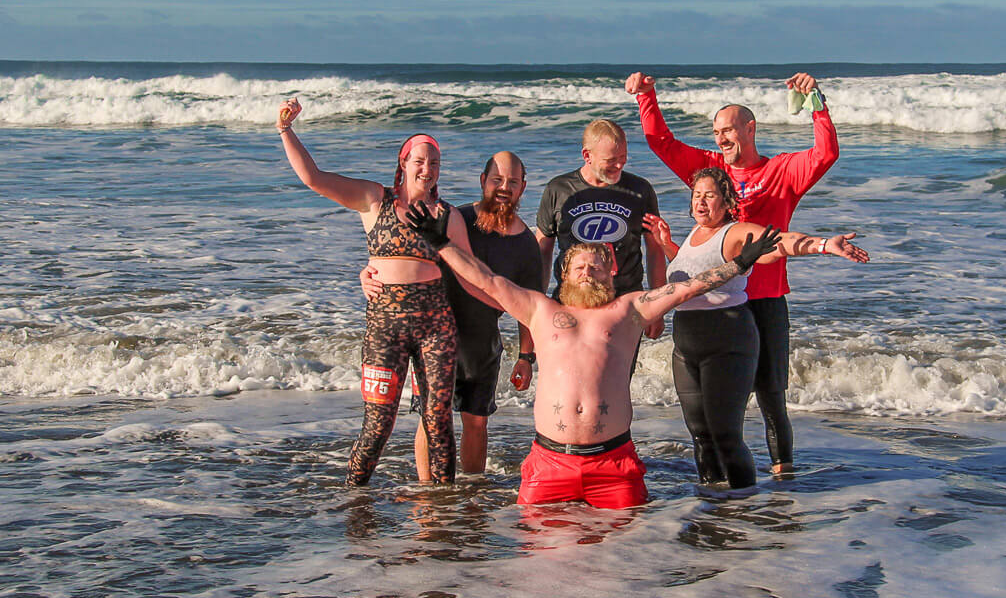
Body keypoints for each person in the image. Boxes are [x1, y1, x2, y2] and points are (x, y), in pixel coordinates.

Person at [405, 201, 785, 508]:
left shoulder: (630, 309)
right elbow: (485, 279)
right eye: (580, 267)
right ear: (564, 276)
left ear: (611, 275)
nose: (588, 273)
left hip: (614, 464)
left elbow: (686, 289)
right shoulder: (540, 309)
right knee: (536, 569)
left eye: (597, 267)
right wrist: (443, 246)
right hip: (549, 463)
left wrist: (740, 263)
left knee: (622, 571)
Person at [625, 71, 839, 474]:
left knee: (771, 397)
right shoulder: (710, 172)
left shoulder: (782, 171)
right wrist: (647, 96)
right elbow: (662, 144)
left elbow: (825, 155)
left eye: (728, 129)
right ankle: (725, 485)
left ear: (750, 128)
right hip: (717, 307)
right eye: (716, 131)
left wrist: (817, 105)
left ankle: (782, 481)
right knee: (723, 409)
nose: (721, 138)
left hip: (765, 300)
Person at [276, 98, 470, 486]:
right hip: (385, 329)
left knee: (438, 421)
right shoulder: (374, 200)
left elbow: (471, 276)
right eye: (419, 161)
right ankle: (353, 500)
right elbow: (314, 178)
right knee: (378, 424)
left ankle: (445, 511)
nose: (427, 169)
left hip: (437, 329)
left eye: (434, 163)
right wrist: (285, 130)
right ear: (404, 163)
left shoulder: (448, 215)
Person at [643, 168, 868, 489]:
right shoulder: (693, 235)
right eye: (696, 195)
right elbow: (694, 277)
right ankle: (712, 506)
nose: (701, 202)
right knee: (701, 435)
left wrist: (822, 245)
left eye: (709, 195)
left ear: (727, 202)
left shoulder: (734, 233)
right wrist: (667, 246)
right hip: (686, 347)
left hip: (727, 341)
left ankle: (745, 506)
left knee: (726, 435)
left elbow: (778, 243)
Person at [360, 151, 542, 475]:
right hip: (434, 334)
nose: (504, 187)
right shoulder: (453, 219)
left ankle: (471, 493)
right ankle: (427, 492)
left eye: (512, 182)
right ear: (483, 181)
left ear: (523, 187)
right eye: (497, 180)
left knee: (476, 422)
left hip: (483, 344)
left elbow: (530, 304)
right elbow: (402, 254)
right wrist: (370, 273)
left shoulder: (527, 243)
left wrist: (526, 358)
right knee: (431, 419)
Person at [535, 119, 667, 342]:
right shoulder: (559, 189)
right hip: (572, 303)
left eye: (623, 158)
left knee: (618, 376)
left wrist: (657, 307)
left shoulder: (640, 190)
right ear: (587, 156)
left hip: (624, 305)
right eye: (611, 160)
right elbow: (542, 250)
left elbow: (655, 250)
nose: (619, 166)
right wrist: (539, 304)